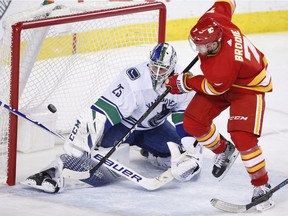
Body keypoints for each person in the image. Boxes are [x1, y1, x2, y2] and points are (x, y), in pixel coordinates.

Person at [22, 43, 202, 193]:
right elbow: (104, 111)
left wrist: (189, 150)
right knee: (100, 168)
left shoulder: (184, 82)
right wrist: (89, 138)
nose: (157, 72)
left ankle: (151, 152)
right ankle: (51, 171)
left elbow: (184, 118)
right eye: (154, 66)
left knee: (179, 159)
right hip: (123, 128)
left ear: (172, 68)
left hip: (153, 128)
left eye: (162, 69)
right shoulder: (133, 78)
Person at [165, 0, 275, 211]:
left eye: (206, 46)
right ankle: (224, 150)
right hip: (223, 82)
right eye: (197, 44)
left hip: (248, 87)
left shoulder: (223, 65)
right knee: (193, 122)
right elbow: (226, 3)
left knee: (244, 137)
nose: (200, 49)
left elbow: (213, 87)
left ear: (217, 42)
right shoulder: (213, 20)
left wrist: (184, 81)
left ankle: (262, 187)